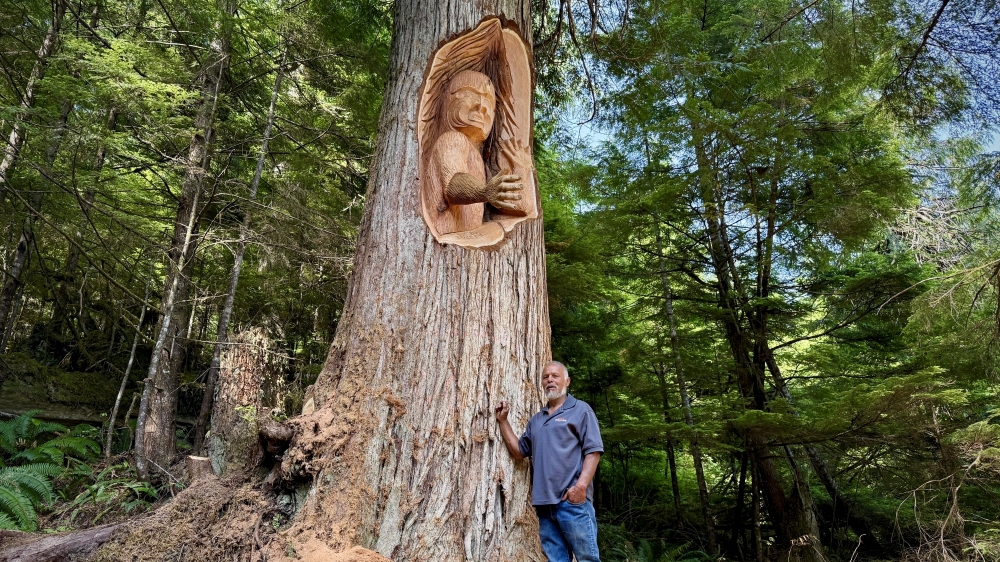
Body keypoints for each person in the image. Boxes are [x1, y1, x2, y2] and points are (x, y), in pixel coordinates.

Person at [495, 361, 603, 562]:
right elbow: (519, 452)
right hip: (545, 506)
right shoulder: (537, 420)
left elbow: (593, 451)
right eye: (546, 377)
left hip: (573, 504)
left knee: (587, 558)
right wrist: (503, 421)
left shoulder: (581, 410)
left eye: (555, 376)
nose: (550, 380)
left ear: (567, 381)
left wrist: (580, 488)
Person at [425, 70, 524, 235]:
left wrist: (521, 168)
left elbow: (517, 207)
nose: (482, 107)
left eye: (489, 103)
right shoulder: (453, 139)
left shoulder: (478, 157)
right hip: (448, 234)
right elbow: (453, 184)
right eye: (470, 94)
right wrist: (483, 191)